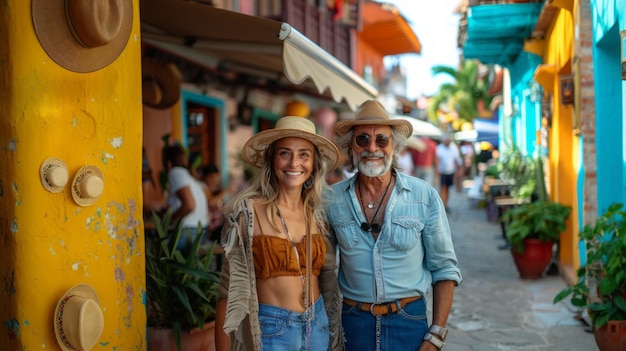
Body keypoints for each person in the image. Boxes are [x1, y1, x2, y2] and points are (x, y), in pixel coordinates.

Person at [325, 100, 462, 351]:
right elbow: (321, 268)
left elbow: (444, 268)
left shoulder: (424, 195)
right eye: (362, 139)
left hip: (409, 321)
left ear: (395, 147)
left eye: (382, 140)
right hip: (354, 323)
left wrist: (437, 334)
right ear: (351, 148)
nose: (372, 148)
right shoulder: (330, 199)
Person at [215, 116, 343, 351]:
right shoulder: (248, 213)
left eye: (304, 154)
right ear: (272, 160)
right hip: (273, 331)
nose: (294, 162)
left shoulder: (318, 215)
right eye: (285, 153)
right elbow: (228, 294)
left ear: (313, 164)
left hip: (318, 326)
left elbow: (329, 279)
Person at [162, 144, 210, 251]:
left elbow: (190, 205)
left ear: (169, 164)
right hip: (202, 231)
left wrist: (170, 219)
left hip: (189, 233)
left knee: (156, 249)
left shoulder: (175, 172)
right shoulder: (189, 176)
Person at [435, 135, 462, 211]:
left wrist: (458, 171)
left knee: (447, 188)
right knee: (443, 188)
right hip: (442, 171)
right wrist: (437, 170)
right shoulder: (439, 148)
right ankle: (442, 205)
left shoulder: (453, 148)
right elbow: (437, 159)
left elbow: (456, 159)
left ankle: (445, 204)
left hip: (451, 171)